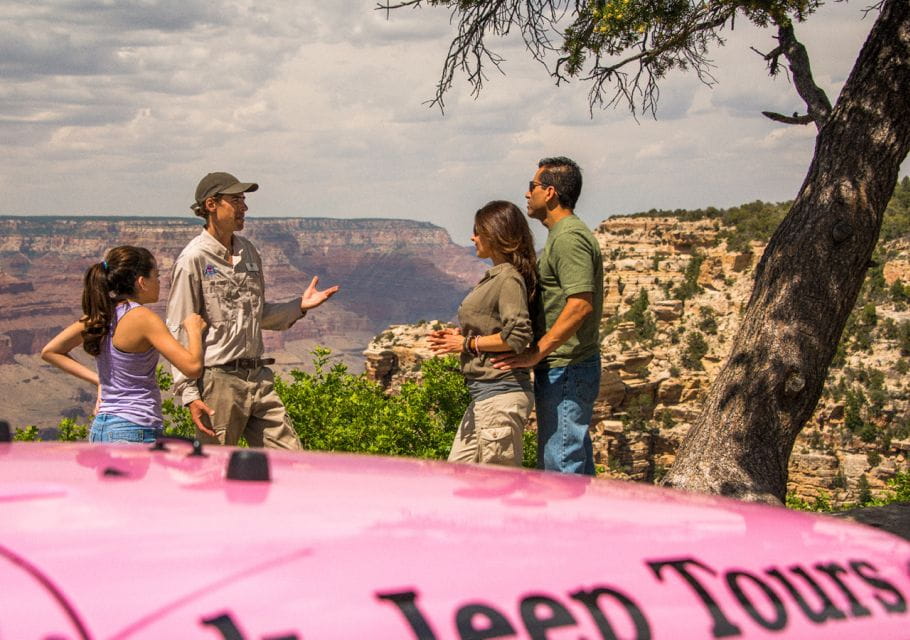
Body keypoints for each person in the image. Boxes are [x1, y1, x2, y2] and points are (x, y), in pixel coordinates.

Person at [166, 172, 339, 449]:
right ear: (211, 204)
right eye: (236, 200)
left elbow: (256, 314)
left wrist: (298, 306)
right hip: (218, 382)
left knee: (290, 458)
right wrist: (188, 393)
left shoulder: (248, 251)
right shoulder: (193, 259)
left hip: (258, 378)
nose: (244, 208)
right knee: (216, 463)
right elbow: (180, 327)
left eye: (243, 200)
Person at [493, 157, 604, 475]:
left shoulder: (568, 238)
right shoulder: (562, 235)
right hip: (564, 367)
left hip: (566, 367)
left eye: (533, 186)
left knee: (561, 466)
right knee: (572, 462)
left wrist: (537, 352)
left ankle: (562, 512)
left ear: (550, 192)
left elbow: (580, 304)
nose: (527, 194)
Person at [41, 246, 206, 443]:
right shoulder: (143, 317)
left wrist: (100, 381)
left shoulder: (101, 315)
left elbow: (50, 351)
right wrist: (194, 331)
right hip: (134, 429)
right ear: (142, 282)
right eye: (156, 276)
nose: (160, 282)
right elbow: (193, 367)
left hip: (102, 428)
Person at [428, 201, 536, 466]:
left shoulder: (508, 278)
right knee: (457, 475)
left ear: (494, 234)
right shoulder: (496, 276)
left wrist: (467, 343)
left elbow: (517, 335)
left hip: (500, 395)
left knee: (497, 484)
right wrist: (461, 335)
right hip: (484, 396)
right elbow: (495, 326)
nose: (472, 238)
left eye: (477, 231)